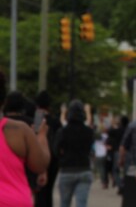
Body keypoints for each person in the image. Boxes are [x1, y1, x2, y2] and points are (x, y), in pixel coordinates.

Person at [0, 70, 50, 207]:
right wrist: (41, 136)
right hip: (15, 201)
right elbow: (40, 165)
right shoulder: (19, 130)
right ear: (3, 102)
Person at [54, 100, 95, 207]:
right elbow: (89, 148)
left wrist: (62, 159)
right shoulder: (88, 131)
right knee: (82, 203)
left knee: (64, 203)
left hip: (67, 169)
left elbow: (56, 150)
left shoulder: (62, 131)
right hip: (84, 169)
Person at [34, 90, 63, 207]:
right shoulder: (56, 121)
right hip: (53, 159)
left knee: (39, 191)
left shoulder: (36, 119)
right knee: (49, 189)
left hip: (38, 157)